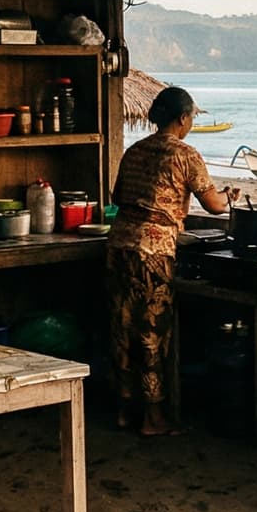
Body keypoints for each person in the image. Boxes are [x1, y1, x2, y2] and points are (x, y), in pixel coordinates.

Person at [107, 86, 234, 436]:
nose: (191, 123)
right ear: (182, 118)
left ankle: (122, 410)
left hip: (119, 246)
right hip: (152, 253)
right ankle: (152, 418)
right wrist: (228, 195)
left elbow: (118, 196)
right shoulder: (185, 154)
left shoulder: (134, 150)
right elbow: (215, 206)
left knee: (122, 329)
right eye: (191, 117)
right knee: (151, 332)